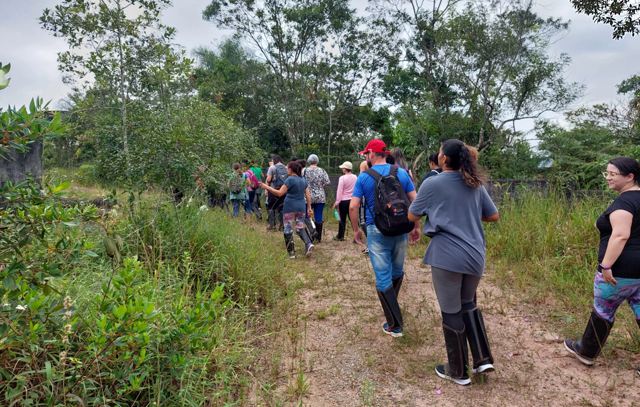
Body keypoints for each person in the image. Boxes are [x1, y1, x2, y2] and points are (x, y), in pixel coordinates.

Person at [408, 139, 499, 386]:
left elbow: (412, 214)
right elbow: (493, 215)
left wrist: (441, 210)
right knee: (468, 303)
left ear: (444, 159)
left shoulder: (433, 183)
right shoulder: (474, 183)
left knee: (451, 310)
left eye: (440, 152)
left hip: (447, 256)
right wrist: (466, 211)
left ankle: (458, 371)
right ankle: (482, 358)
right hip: (475, 255)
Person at [564, 156, 640, 375]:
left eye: (612, 174)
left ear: (630, 176)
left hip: (620, 270)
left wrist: (606, 266)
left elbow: (620, 235)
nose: (607, 178)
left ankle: (586, 351)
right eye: (606, 173)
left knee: (603, 310)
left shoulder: (624, 202)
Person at [349, 139, 421, 338]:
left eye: (366, 154)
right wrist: (416, 226)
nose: (365, 157)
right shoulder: (401, 173)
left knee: (382, 275)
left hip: (376, 229)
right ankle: (393, 308)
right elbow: (415, 200)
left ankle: (394, 325)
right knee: (396, 270)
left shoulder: (364, 178)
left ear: (372, 153)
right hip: (400, 227)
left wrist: (356, 230)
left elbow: (353, 206)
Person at [261, 160, 314, 258]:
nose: (286, 169)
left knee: (288, 228)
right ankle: (308, 243)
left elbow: (279, 193)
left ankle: (292, 253)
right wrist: (309, 208)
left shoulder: (289, 180)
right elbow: (308, 194)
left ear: (291, 169)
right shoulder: (303, 180)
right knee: (300, 227)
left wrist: (266, 187)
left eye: (287, 167)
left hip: (289, 207)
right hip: (301, 206)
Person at [304, 154, 331, 243]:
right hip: (320, 196)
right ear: (317, 161)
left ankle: (312, 234)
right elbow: (327, 182)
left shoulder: (305, 171)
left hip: (308, 196)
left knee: (308, 216)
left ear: (309, 161)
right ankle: (318, 237)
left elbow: (301, 181)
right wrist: (319, 186)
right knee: (318, 216)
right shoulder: (322, 171)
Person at [332, 161, 357, 241]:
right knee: (353, 219)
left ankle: (340, 236)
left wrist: (337, 202)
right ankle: (357, 235)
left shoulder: (342, 178)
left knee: (342, 219)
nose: (342, 169)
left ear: (345, 169)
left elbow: (339, 191)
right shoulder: (355, 177)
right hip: (353, 200)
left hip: (343, 201)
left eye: (343, 168)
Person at [266, 155, 288, 231]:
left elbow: (268, 179)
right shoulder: (285, 167)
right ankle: (282, 225)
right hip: (283, 190)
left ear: (274, 160)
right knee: (281, 207)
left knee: (271, 207)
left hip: (273, 190)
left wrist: (267, 188)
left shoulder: (272, 167)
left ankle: (272, 225)